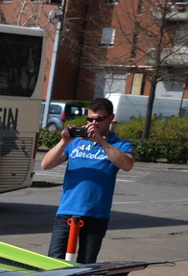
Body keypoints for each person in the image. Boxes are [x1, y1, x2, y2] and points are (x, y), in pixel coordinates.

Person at [40, 97, 135, 263]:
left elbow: (127, 165)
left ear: (111, 118)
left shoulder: (119, 145)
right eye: (90, 119)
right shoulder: (75, 142)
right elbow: (46, 164)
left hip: (96, 214)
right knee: (54, 262)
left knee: (86, 264)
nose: (94, 123)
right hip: (67, 210)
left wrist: (101, 141)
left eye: (99, 119)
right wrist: (64, 141)